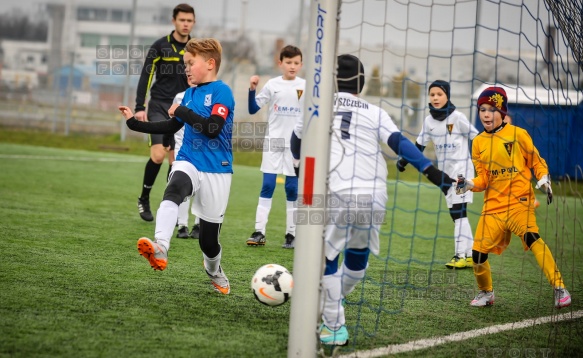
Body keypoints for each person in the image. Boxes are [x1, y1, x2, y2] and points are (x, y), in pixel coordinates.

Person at [290, 54, 456, 346]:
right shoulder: (375, 112)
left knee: (325, 258)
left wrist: (297, 167)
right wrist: (434, 173)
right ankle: (331, 305)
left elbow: (296, 139)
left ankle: (332, 322)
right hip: (373, 195)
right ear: (362, 83)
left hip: (335, 191)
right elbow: (400, 144)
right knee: (357, 262)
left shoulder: (316, 106)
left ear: (331, 79)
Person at [118, 38, 235, 295]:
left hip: (218, 170)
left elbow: (212, 129)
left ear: (210, 63)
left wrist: (182, 111)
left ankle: (213, 269)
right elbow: (171, 126)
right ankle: (161, 246)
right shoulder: (189, 94)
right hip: (189, 161)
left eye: (191, 63)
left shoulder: (222, 91)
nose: (186, 69)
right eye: (185, 64)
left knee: (208, 242)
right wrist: (134, 124)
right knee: (174, 188)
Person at [456, 86, 571, 308]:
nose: (486, 114)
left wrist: (544, 179)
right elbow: (484, 180)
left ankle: (560, 288)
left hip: (520, 203)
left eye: (491, 109)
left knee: (532, 238)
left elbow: (536, 161)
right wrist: (469, 184)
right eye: (482, 109)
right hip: (494, 207)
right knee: (477, 254)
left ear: (502, 112)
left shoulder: (519, 134)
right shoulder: (478, 142)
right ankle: (486, 293)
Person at [396, 80, 478, 269]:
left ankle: (460, 256)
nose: (435, 97)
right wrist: (404, 160)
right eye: (432, 94)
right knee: (457, 214)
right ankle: (471, 254)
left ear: (447, 96)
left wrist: (483, 161)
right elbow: (419, 146)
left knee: (458, 211)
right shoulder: (429, 121)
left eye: (439, 94)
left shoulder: (458, 117)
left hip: (463, 172)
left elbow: (477, 137)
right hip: (444, 176)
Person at [134, 3, 195, 222]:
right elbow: (146, 76)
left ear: (193, 23)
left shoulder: (195, 49)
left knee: (176, 161)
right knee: (158, 155)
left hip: (183, 108)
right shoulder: (160, 46)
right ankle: (144, 198)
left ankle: (170, 210)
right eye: (182, 20)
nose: (185, 24)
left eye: (189, 20)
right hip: (159, 105)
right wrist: (140, 107)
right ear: (174, 21)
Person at [245, 45, 305, 249]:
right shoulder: (272, 84)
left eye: (296, 62)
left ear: (301, 64)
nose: (292, 66)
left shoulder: (305, 86)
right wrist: (252, 89)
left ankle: (292, 234)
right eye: (288, 62)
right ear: (280, 63)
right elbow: (253, 109)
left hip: (295, 144)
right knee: (268, 185)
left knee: (291, 188)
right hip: (273, 142)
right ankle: (259, 232)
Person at [170, 88, 200, 239]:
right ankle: (182, 225)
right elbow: (171, 123)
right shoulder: (180, 96)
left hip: (202, 148)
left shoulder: (212, 94)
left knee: (202, 186)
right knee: (182, 185)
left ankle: (198, 224)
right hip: (181, 147)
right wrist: (170, 146)